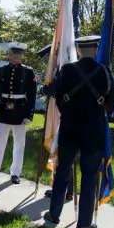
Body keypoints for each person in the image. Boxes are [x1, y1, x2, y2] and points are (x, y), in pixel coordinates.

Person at [43, 35, 114, 228]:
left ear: (79, 50)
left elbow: (58, 98)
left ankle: (54, 215)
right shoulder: (104, 71)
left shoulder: (66, 70)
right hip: (93, 131)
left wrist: (70, 110)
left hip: (70, 128)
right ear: (94, 50)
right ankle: (84, 224)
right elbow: (111, 104)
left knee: (62, 173)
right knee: (90, 176)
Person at [0, 43, 37, 185]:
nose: (16, 56)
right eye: (13, 53)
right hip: (4, 111)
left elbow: (32, 95)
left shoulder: (29, 72)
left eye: (19, 54)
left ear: (22, 55)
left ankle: (15, 173)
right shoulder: (1, 71)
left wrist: (29, 115)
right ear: (9, 55)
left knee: (19, 145)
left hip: (20, 112)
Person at [37, 43, 73, 202]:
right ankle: (66, 189)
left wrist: (42, 90)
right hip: (61, 111)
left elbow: (52, 89)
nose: (47, 61)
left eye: (48, 57)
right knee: (63, 153)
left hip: (60, 112)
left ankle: (62, 189)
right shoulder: (62, 68)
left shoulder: (62, 69)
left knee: (61, 152)